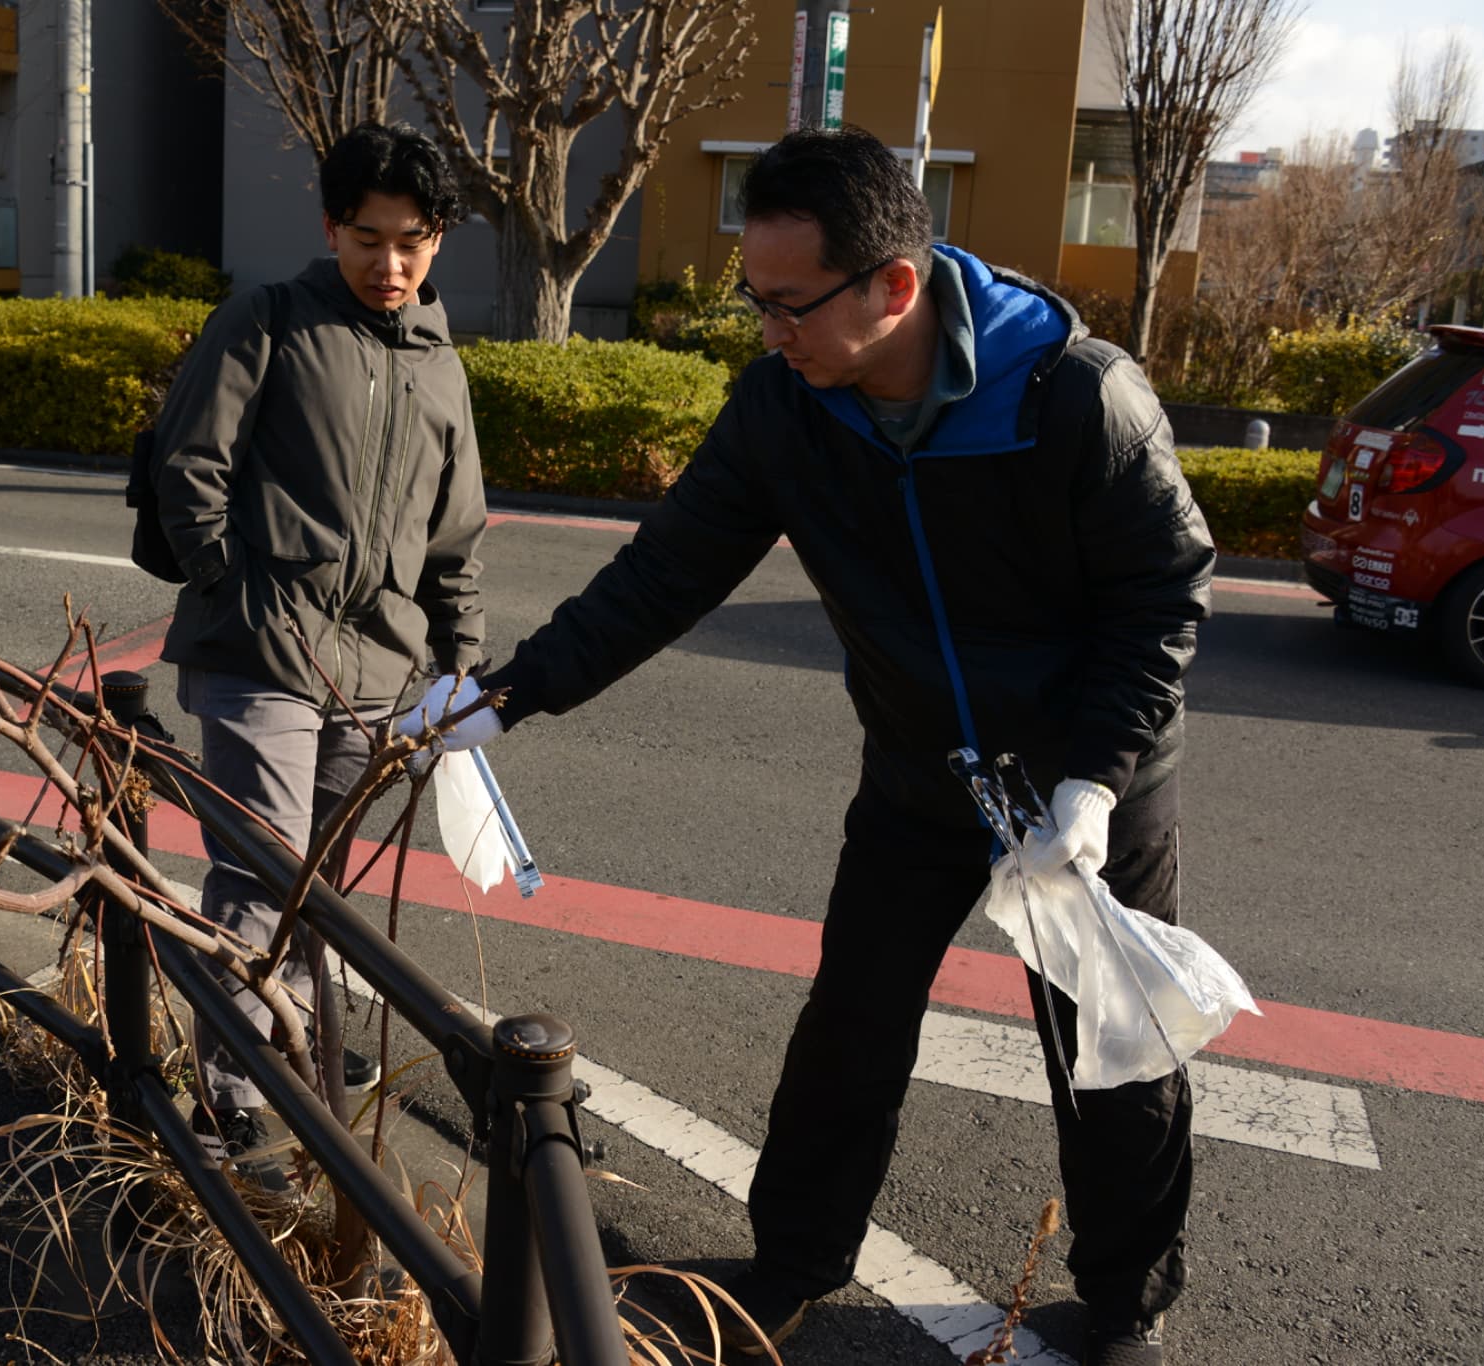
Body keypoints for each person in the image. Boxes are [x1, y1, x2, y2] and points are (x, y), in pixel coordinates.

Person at [408, 127, 1212, 1366]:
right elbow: (663, 572)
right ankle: (788, 1261)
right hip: (918, 776)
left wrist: (1097, 780)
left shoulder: (1070, 396)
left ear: (892, 285)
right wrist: (507, 695)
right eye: (755, 301)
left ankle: (1121, 1304)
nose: (766, 331)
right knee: (849, 1025)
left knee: (1109, 1053)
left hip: (1077, 787)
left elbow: (1161, 596)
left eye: (788, 305)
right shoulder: (789, 406)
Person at [151, 121, 486, 1191]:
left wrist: (457, 675)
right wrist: (235, 592)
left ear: (437, 240)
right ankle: (232, 1113)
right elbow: (188, 463)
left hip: (381, 671)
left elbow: (454, 542)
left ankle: (279, 1070)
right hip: (257, 654)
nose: (391, 265)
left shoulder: (442, 368)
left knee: (321, 897)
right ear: (331, 226)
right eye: (369, 238)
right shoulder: (271, 319)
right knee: (262, 882)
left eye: (414, 241)